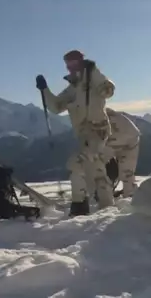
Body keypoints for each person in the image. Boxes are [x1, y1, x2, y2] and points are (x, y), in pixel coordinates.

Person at [35, 50, 116, 216]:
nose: (70, 67)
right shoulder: (73, 89)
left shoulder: (93, 76)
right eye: (68, 63)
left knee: (76, 164)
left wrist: (101, 83)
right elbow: (56, 107)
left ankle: (80, 205)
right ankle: (106, 207)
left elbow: (107, 88)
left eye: (73, 62)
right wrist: (44, 90)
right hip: (84, 135)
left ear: (81, 61)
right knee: (97, 168)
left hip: (97, 130)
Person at [101, 108, 141, 198]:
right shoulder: (107, 113)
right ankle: (130, 195)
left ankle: (103, 193)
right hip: (132, 137)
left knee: (96, 165)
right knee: (128, 172)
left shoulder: (93, 117)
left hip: (114, 138)